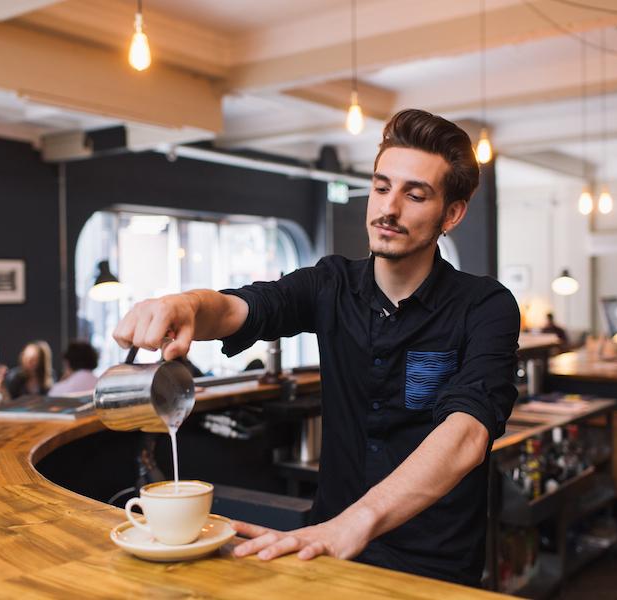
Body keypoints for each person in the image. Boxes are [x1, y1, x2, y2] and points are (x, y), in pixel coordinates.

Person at [113, 109, 520, 586]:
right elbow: (239, 308)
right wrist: (184, 304)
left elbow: (467, 434)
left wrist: (354, 523)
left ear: (451, 213)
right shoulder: (329, 284)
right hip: (326, 550)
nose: (388, 208)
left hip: (433, 565)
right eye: (381, 186)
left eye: (415, 195)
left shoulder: (485, 306)